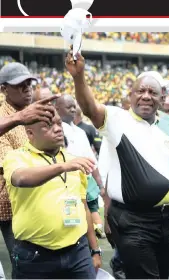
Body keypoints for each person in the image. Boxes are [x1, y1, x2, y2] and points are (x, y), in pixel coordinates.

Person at [65, 50, 169, 279]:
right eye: (140, 91)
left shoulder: (167, 131)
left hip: (166, 220)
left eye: (152, 92)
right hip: (132, 221)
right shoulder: (117, 119)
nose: (146, 96)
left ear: (162, 100)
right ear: (131, 96)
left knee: (162, 275)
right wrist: (78, 76)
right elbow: (89, 107)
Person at [2, 110, 102, 278]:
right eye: (48, 125)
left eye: (58, 123)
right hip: (35, 256)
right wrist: (62, 167)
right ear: (30, 133)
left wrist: (95, 250)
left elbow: (83, 206)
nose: (57, 129)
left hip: (78, 251)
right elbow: (21, 178)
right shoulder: (16, 157)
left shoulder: (72, 159)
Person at [0, 62, 58, 261]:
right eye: (20, 85)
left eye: (30, 84)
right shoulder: (4, 118)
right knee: (26, 262)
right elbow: (9, 165)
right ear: (4, 89)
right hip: (11, 203)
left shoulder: (34, 113)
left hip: (38, 197)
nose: (27, 89)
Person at [55, 94, 106, 239]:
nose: (73, 109)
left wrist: (100, 185)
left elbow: (91, 160)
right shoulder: (56, 130)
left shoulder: (81, 132)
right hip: (65, 183)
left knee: (88, 213)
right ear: (57, 108)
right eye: (68, 106)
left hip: (85, 181)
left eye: (74, 106)